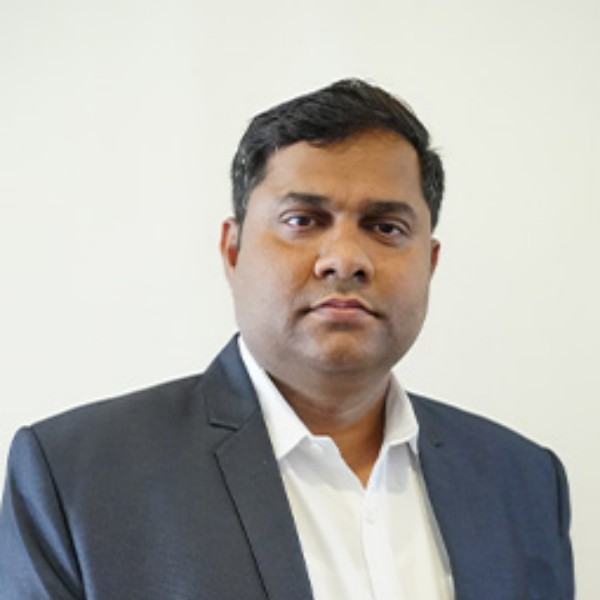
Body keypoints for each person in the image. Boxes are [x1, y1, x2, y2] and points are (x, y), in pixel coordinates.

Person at [0, 79, 574, 600]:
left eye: (385, 227)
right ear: (232, 251)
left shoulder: (523, 482)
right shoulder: (77, 478)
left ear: (431, 262)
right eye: (303, 220)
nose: (344, 259)